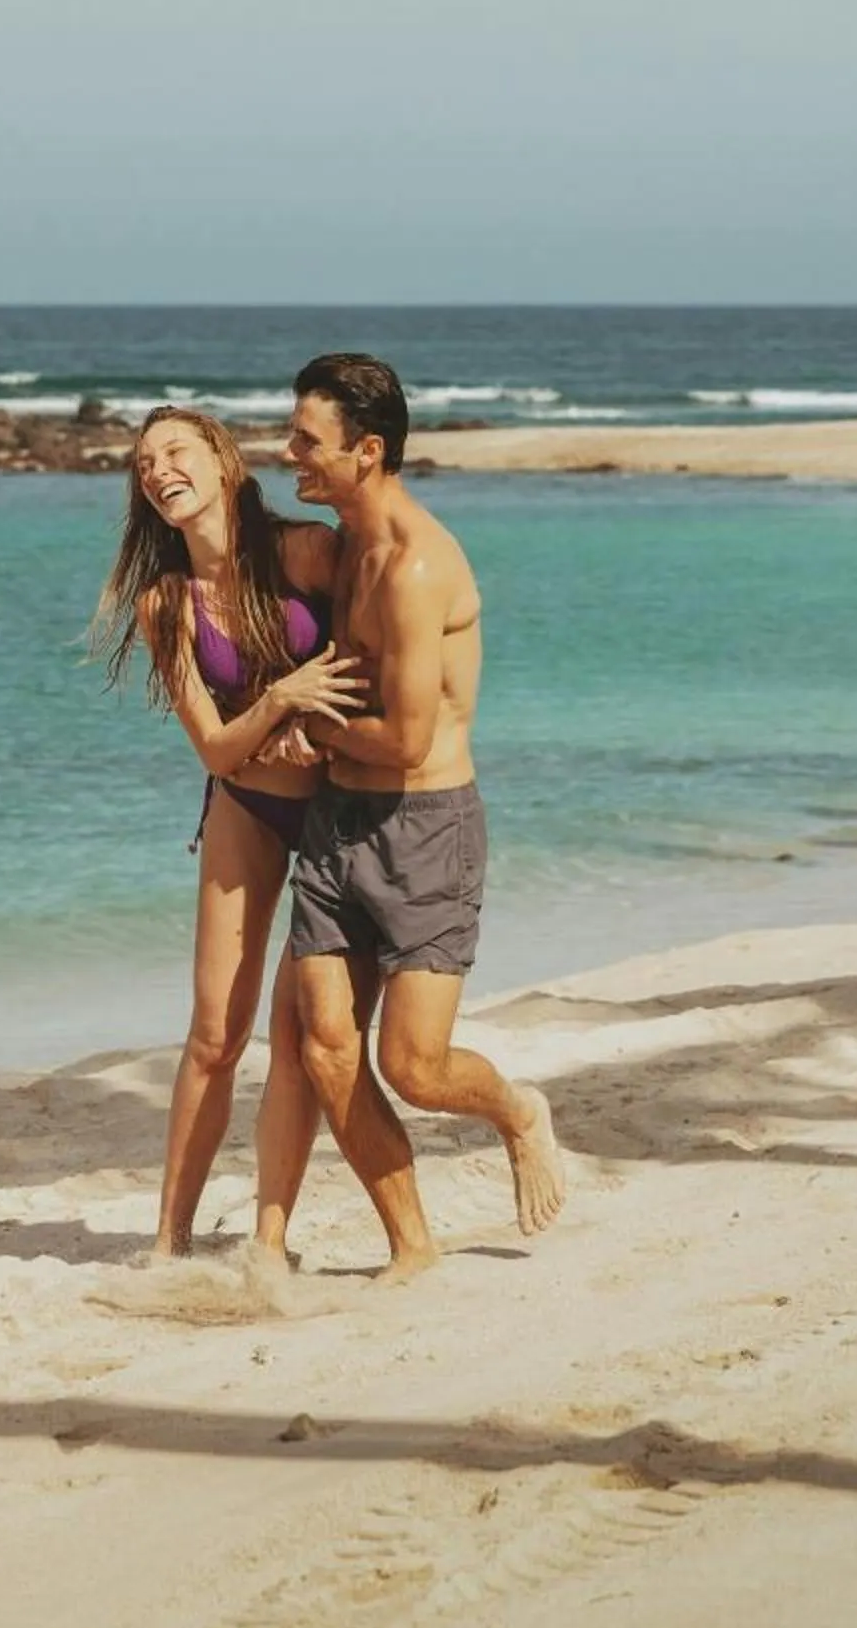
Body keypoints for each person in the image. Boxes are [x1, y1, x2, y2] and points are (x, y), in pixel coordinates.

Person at [282, 350, 564, 1277]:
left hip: (425, 827)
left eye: (307, 441)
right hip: (336, 829)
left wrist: (305, 726)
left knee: (414, 1066)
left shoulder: (411, 568)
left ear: (366, 451)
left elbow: (405, 739)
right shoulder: (342, 543)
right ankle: (411, 1244)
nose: (291, 454)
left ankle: (518, 1111)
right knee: (326, 1050)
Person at [92, 404, 367, 1265]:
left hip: (335, 808)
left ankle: (269, 1240)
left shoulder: (307, 553)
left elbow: (375, 666)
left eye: (174, 451)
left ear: (221, 459)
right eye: (144, 466)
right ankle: (169, 1241)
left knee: (297, 1037)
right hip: (243, 805)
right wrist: (279, 704)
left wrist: (315, 729)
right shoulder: (165, 603)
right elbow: (212, 744)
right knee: (215, 1033)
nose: (158, 470)